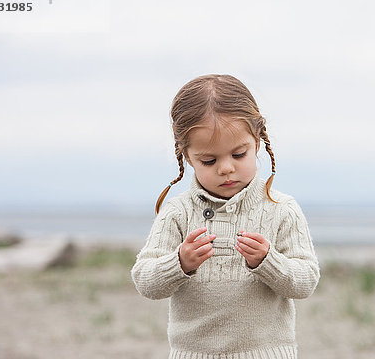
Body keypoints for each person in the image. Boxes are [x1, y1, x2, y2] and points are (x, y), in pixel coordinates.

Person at [131, 74, 320, 359]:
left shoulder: (281, 208)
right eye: (209, 160)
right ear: (187, 156)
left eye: (239, 154)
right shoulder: (178, 212)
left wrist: (269, 262)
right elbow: (145, 281)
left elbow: (305, 282)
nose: (226, 168)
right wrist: (179, 262)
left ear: (257, 142)